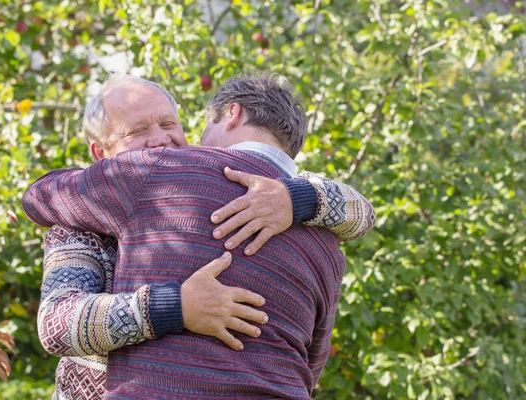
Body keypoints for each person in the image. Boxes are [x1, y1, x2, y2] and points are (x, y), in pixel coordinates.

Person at [27, 74, 375, 399]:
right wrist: (175, 306)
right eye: (137, 130)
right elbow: (57, 323)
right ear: (100, 156)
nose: (161, 139)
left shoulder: (285, 201)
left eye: (168, 124)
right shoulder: (79, 223)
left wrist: (300, 198)